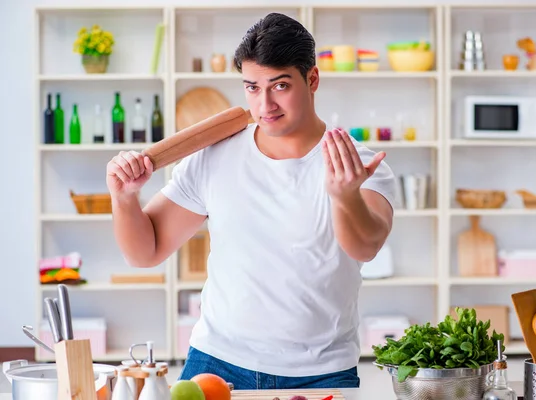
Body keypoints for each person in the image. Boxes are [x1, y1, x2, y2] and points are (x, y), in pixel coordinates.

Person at [106, 12, 398, 391]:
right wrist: (125, 198)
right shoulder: (214, 156)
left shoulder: (355, 163)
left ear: (312, 79)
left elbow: (366, 245)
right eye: (251, 87)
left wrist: (344, 196)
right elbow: (145, 252)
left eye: (279, 86)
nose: (264, 105)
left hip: (321, 370)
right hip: (216, 359)